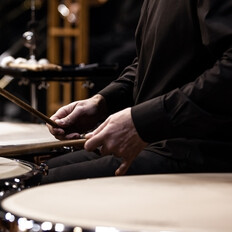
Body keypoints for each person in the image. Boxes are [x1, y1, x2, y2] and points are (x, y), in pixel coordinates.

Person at [42, 0, 232, 184]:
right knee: (38, 169)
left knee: (37, 183)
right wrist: (102, 102)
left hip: (197, 148)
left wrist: (143, 121)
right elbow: (150, 63)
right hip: (158, 140)